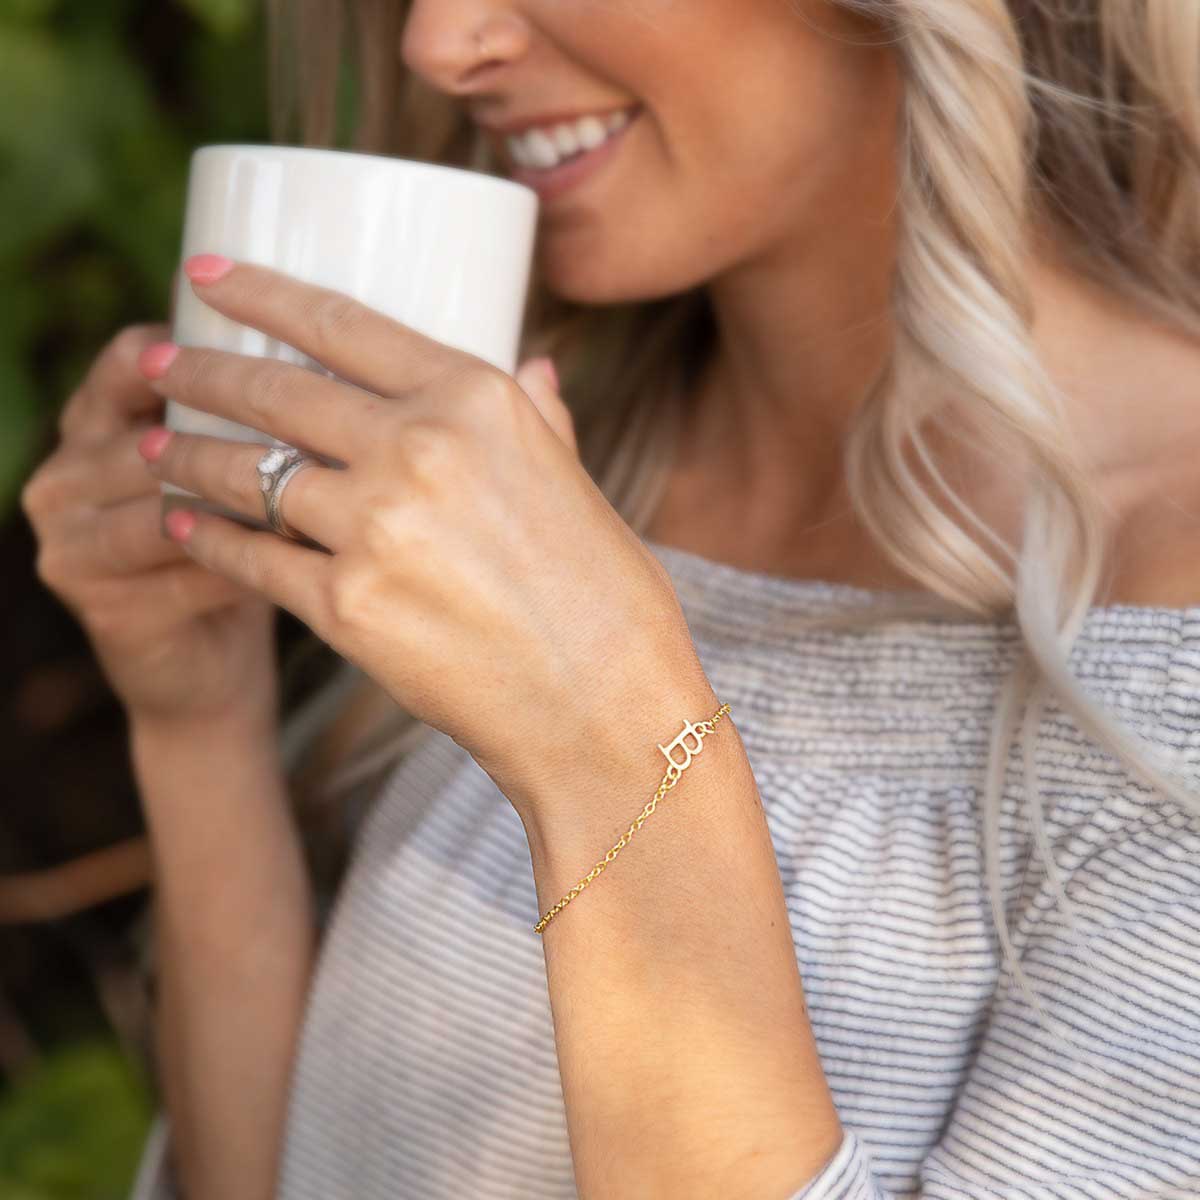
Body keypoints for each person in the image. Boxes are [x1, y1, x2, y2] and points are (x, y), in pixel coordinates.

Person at [21, 0, 1200, 1196]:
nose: (436, 42)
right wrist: (200, 723)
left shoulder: (1171, 651)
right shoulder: (543, 485)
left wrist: (608, 747)